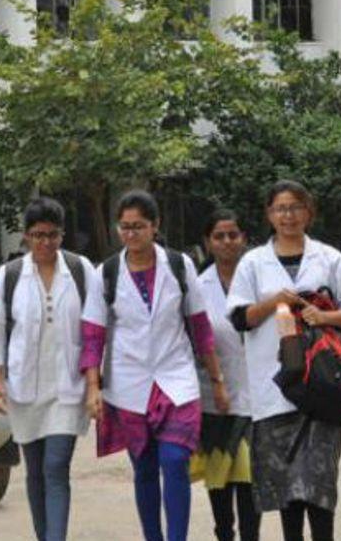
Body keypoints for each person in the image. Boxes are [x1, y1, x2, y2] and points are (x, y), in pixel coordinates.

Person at [226, 180, 341, 541]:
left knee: (320, 484)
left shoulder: (328, 257)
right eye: (280, 208)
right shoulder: (253, 263)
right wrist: (275, 301)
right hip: (274, 389)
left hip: (322, 386)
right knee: (287, 490)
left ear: (309, 212)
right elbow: (240, 318)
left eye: (295, 207)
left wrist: (323, 317)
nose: (288, 215)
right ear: (269, 214)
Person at [81, 190, 229, 541]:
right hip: (128, 384)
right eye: (125, 227)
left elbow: (200, 326)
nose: (131, 234)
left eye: (139, 226)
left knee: (175, 461)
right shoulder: (106, 273)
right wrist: (93, 388)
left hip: (176, 377)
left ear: (155, 226)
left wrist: (217, 380)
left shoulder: (179, 265)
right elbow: (92, 334)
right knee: (145, 469)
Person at [0, 198, 93, 541]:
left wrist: (94, 384)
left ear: (62, 234)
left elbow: (95, 330)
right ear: (26, 236)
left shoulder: (80, 270)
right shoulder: (11, 275)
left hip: (67, 388)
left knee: (55, 467)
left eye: (52, 235)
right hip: (24, 389)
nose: (45, 243)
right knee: (35, 472)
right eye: (38, 235)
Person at [192, 210, 259, 541]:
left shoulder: (260, 280)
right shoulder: (197, 287)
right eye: (219, 236)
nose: (227, 241)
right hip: (214, 398)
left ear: (244, 239)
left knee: (250, 481)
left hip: (257, 396)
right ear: (208, 242)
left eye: (233, 235)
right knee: (219, 481)